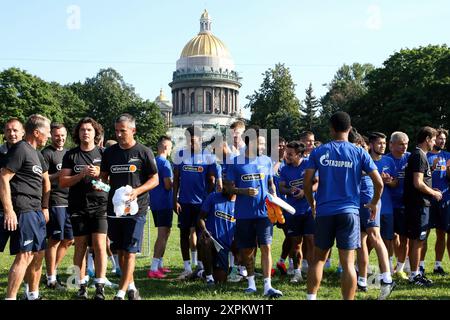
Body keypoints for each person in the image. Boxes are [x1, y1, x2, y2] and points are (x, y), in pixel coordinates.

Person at [304, 111, 384, 300]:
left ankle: (310, 298)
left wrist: (312, 203)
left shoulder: (319, 151)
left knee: (319, 260)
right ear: (349, 128)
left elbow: (307, 183)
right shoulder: (359, 152)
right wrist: (373, 203)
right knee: (348, 263)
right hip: (349, 213)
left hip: (324, 211)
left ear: (331, 129)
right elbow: (379, 183)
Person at [100, 114, 158, 300]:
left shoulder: (144, 152)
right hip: (115, 210)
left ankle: (120, 293)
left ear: (133, 130)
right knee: (121, 251)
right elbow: (103, 179)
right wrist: (102, 188)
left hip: (136, 210)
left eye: (122, 131)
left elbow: (155, 179)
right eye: (116, 130)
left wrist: (137, 191)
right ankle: (132, 287)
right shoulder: (109, 153)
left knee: (131, 251)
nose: (118, 134)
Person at [225, 126, 283, 298]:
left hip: (264, 213)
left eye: (264, 144)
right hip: (244, 214)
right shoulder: (235, 162)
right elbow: (228, 188)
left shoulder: (266, 161)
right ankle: (251, 283)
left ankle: (268, 286)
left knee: (266, 247)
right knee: (247, 250)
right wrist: (243, 192)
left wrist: (274, 195)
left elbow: (271, 182)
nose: (264, 147)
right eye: (261, 143)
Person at [0, 114, 51, 300]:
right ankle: (10, 298)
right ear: (37, 132)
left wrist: (44, 207)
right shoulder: (20, 149)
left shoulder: (36, 153)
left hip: (36, 210)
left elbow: (46, 183)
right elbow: (4, 177)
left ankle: (31, 295)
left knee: (35, 254)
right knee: (24, 255)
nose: (49, 136)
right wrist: (9, 210)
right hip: (23, 210)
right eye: (46, 132)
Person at [60, 117, 108, 300]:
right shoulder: (71, 155)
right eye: (82, 130)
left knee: (99, 246)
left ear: (96, 133)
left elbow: (111, 187)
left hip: (100, 206)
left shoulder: (104, 154)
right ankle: (81, 286)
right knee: (79, 247)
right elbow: (63, 182)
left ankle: (100, 287)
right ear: (78, 133)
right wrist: (80, 175)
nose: (85, 132)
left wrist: (100, 180)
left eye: (89, 129)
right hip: (78, 207)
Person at [351, 130, 395, 299]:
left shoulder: (362, 155)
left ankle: (387, 278)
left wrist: (374, 202)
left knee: (375, 236)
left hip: (369, 199)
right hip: (357, 200)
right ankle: (362, 280)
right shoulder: (356, 154)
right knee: (361, 241)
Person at [173, 126, 216, 279]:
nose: (190, 143)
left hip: (201, 204)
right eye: (187, 140)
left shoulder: (208, 156)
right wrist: (175, 199)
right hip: (184, 202)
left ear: (200, 139)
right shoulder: (180, 155)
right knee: (184, 233)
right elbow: (176, 179)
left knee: (201, 234)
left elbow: (212, 181)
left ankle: (200, 266)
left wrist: (208, 201)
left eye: (192, 140)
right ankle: (186, 267)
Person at [403, 126, 442, 286]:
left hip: (418, 204)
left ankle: (415, 273)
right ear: (427, 139)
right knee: (418, 240)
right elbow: (417, 183)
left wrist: (431, 189)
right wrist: (433, 193)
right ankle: (414, 276)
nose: (434, 142)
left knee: (416, 240)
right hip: (419, 205)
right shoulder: (419, 155)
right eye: (433, 139)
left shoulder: (420, 155)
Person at [278, 141, 317, 283]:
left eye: (290, 154)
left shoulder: (308, 164)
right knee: (296, 244)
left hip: (309, 210)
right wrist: (290, 190)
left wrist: (305, 191)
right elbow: (282, 188)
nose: (286, 156)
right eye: (286, 153)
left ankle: (313, 271)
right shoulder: (284, 169)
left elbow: (317, 182)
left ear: (299, 154)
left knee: (311, 241)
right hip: (292, 211)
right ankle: (297, 272)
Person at [42, 123, 74, 290]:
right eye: (56, 135)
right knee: (54, 240)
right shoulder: (46, 153)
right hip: (56, 201)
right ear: (51, 135)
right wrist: (58, 175)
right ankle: (51, 279)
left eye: (62, 135)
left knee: (69, 239)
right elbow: (43, 179)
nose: (60, 138)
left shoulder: (69, 153)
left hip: (70, 201)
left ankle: (51, 271)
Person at [369, 132, 398, 272]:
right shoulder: (366, 160)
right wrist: (377, 179)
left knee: (387, 240)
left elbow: (395, 183)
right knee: (368, 240)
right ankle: (361, 267)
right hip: (370, 206)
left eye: (384, 143)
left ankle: (385, 269)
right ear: (371, 144)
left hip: (386, 207)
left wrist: (389, 181)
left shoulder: (389, 161)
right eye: (379, 143)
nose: (382, 146)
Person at [198, 188, 236, 286]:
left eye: (229, 184)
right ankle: (209, 278)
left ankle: (200, 273)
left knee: (221, 280)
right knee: (205, 241)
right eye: (225, 183)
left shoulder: (241, 203)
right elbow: (201, 218)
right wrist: (204, 230)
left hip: (224, 247)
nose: (225, 186)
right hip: (211, 240)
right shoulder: (213, 196)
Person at [148, 135, 174, 278]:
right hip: (164, 203)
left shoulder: (153, 161)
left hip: (155, 202)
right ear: (165, 147)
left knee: (165, 233)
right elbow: (167, 185)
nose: (171, 150)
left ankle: (159, 265)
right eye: (170, 147)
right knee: (162, 235)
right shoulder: (165, 163)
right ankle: (153, 268)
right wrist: (176, 182)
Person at [386, 131, 411, 280]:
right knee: (388, 238)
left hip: (405, 205)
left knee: (405, 238)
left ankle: (400, 268)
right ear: (392, 144)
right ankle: (388, 266)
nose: (404, 147)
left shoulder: (410, 158)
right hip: (388, 205)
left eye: (406, 144)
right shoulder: (385, 159)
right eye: (401, 144)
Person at [426, 128, 450, 276]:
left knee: (441, 233)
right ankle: (419, 266)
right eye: (440, 138)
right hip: (427, 200)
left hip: (445, 200)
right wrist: (431, 167)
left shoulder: (447, 156)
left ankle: (438, 265)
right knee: (424, 234)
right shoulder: (424, 155)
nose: (442, 141)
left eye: (444, 139)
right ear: (433, 139)